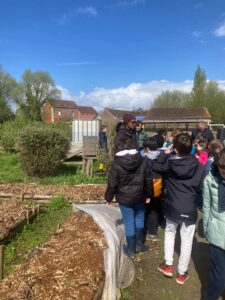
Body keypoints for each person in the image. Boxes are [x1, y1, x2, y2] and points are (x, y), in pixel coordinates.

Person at [153, 133, 205, 284]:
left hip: (172, 206)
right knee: (187, 241)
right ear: (191, 148)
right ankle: (181, 273)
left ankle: (168, 265)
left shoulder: (170, 164)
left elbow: (155, 165)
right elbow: (200, 186)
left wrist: (164, 153)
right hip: (189, 207)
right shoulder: (200, 166)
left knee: (170, 233)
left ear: (175, 148)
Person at [105, 138, 153, 258]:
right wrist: (148, 195)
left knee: (129, 222)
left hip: (124, 198)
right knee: (139, 219)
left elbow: (112, 182)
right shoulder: (143, 161)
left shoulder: (116, 163)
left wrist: (109, 197)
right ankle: (138, 244)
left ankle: (131, 250)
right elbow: (148, 180)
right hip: (140, 196)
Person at [203, 148, 225, 300]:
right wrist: (206, 227)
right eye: (223, 171)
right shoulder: (210, 179)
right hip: (217, 233)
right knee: (219, 274)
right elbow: (206, 205)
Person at [143, 137, 163, 241]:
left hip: (147, 186)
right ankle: (153, 232)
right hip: (159, 185)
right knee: (155, 208)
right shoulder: (161, 157)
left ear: (146, 148)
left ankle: (147, 230)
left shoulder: (144, 159)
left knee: (147, 209)